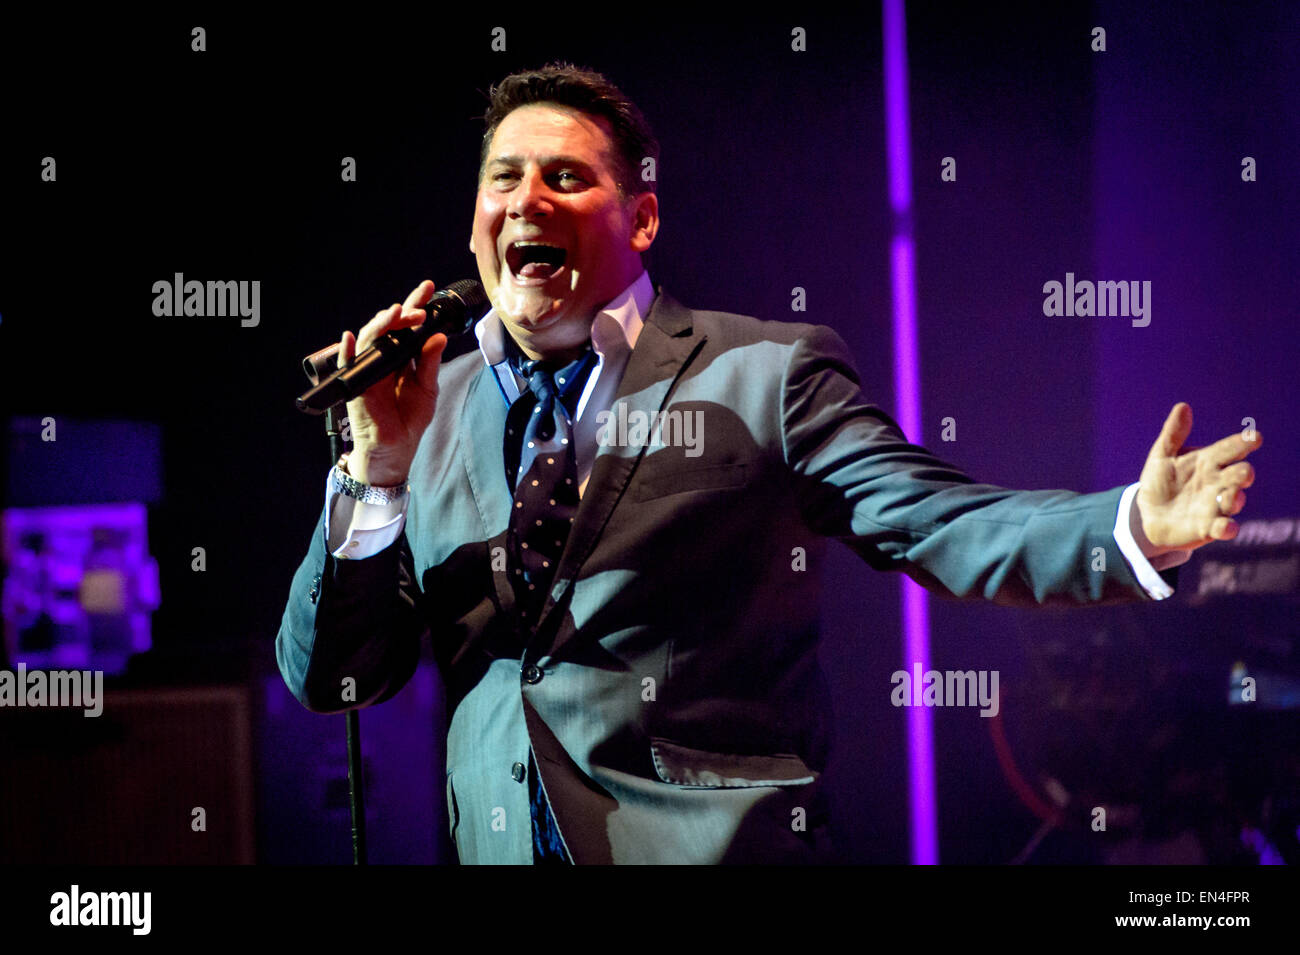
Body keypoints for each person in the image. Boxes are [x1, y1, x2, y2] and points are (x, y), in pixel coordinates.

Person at [275, 63, 1262, 864]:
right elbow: (336, 681)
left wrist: (1126, 524)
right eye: (504, 177)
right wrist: (376, 472)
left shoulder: (760, 373)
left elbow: (935, 519)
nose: (526, 197)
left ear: (643, 219)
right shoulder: (420, 409)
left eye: (565, 176)